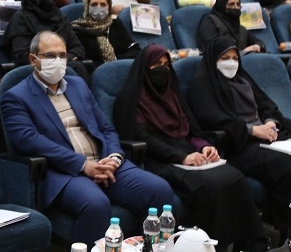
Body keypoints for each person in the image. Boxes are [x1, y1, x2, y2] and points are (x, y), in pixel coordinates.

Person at [0, 31, 173, 245]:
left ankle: (149, 248)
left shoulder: (78, 85)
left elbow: (105, 128)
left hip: (104, 162)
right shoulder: (16, 96)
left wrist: (113, 157)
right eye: (50, 56)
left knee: (159, 190)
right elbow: (29, 140)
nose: (58, 61)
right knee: (96, 204)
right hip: (64, 171)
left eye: (62, 55)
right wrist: (83, 165)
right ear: (33, 59)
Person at [114, 45, 268, 251]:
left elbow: (189, 131)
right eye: (156, 64)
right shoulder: (131, 98)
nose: (163, 69)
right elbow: (143, 138)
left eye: (166, 65)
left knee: (235, 177)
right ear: (144, 67)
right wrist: (181, 157)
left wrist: (204, 147)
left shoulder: (172, 93)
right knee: (209, 187)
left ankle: (249, 243)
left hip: (187, 154)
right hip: (156, 160)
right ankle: (207, 246)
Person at [189, 38, 291, 251]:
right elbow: (212, 120)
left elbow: (266, 104)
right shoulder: (203, 84)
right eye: (225, 58)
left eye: (235, 58)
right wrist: (253, 130)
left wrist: (271, 122)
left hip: (266, 139)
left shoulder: (242, 77)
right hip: (239, 146)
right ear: (213, 60)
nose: (231, 62)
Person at [2, 0, 88, 76]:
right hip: (34, 69)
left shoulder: (60, 15)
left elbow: (78, 48)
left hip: (65, 65)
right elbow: (22, 55)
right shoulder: (21, 18)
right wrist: (52, 62)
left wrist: (64, 60)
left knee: (77, 67)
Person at [72, 0, 141, 65]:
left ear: (109, 6)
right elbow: (83, 61)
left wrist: (117, 63)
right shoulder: (78, 30)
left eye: (103, 4)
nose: (98, 7)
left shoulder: (115, 23)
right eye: (94, 4)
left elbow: (134, 49)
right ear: (87, 6)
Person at [197, 0, 266, 52]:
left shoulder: (241, 29)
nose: (236, 7)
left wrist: (256, 46)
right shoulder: (210, 20)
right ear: (222, 6)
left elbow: (260, 43)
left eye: (238, 4)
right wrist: (240, 52)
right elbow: (212, 46)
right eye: (231, 4)